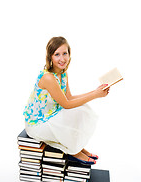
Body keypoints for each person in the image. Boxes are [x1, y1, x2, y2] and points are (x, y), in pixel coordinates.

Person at [23, 36, 110, 165]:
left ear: (70, 54)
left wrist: (95, 91)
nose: (62, 58)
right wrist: (96, 95)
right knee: (73, 113)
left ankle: (76, 147)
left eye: (65, 53)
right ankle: (74, 151)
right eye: (57, 54)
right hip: (37, 124)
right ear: (50, 57)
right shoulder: (48, 78)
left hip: (51, 115)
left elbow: (69, 97)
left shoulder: (63, 73)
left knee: (83, 108)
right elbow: (66, 104)